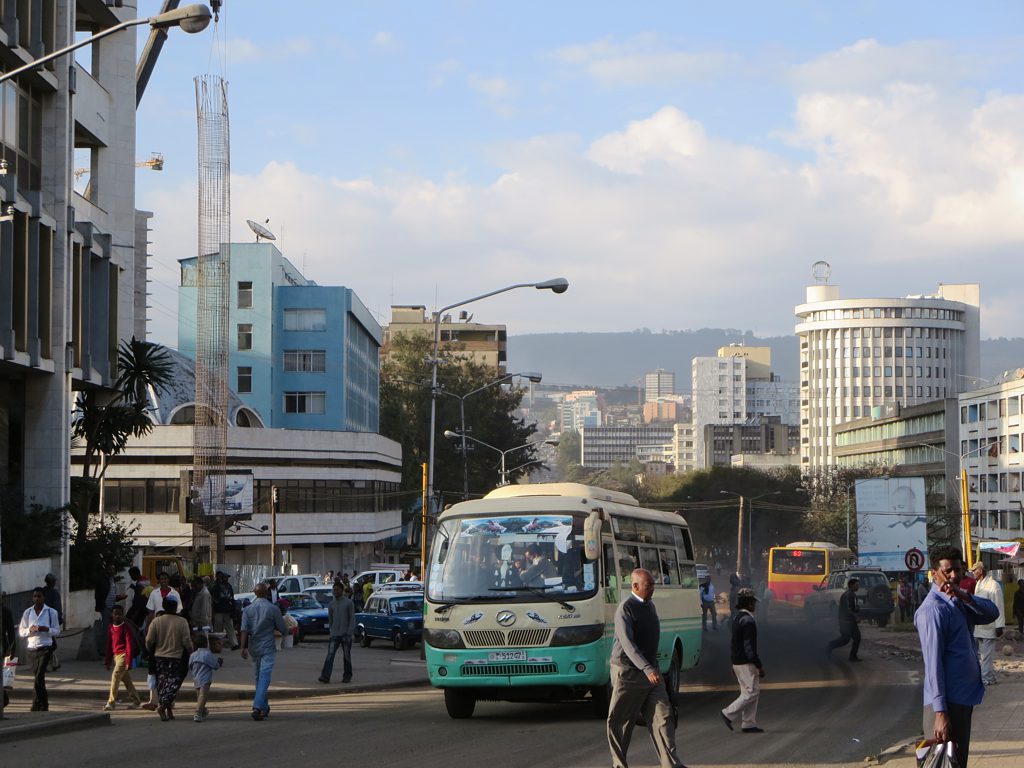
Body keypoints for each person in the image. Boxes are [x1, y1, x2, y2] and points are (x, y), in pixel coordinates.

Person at [915, 546, 999, 768]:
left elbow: (992, 613)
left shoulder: (956, 602)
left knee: (956, 763)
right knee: (942, 763)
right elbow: (933, 665)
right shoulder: (932, 610)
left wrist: (963, 595)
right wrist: (940, 713)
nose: (954, 575)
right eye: (948, 570)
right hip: (945, 703)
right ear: (935, 573)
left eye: (958, 570)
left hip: (961, 699)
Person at [606, 568, 686, 768]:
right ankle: (619, 765)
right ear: (635, 586)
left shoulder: (650, 605)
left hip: (651, 672)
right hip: (629, 673)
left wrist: (653, 668)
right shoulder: (626, 608)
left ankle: (671, 764)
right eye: (649, 585)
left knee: (663, 716)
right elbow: (628, 644)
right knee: (622, 722)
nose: (653, 589)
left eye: (653, 585)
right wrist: (647, 668)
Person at [240, 582, 287, 721]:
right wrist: (286, 632)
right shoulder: (273, 609)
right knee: (264, 676)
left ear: (255, 593)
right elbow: (282, 628)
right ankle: (258, 706)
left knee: (258, 677)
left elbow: (244, 630)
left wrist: (243, 647)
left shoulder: (248, 610)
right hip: (267, 646)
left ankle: (264, 707)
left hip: (254, 647)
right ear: (266, 593)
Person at [721, 587, 764, 733]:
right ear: (748, 603)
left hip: (738, 661)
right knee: (751, 693)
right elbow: (748, 646)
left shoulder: (737, 618)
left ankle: (749, 723)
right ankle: (728, 713)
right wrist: (758, 664)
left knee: (750, 691)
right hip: (746, 662)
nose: (755, 605)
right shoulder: (748, 621)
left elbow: (734, 643)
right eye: (753, 602)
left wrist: (733, 663)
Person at [145, 596, 193, 721]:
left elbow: (149, 640)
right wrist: (191, 651)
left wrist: (150, 649)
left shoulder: (156, 621)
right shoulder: (182, 622)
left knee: (162, 684)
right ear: (176, 606)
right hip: (176, 658)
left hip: (159, 658)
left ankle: (168, 709)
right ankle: (164, 706)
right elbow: (187, 641)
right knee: (173, 684)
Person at [18, 587, 60, 711]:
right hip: (32, 648)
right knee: (38, 677)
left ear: (44, 597)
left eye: (39, 596)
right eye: (35, 596)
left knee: (39, 675)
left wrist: (46, 629)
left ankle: (39, 704)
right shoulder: (28, 612)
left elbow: (56, 631)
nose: (37, 599)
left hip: (46, 647)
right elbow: (21, 631)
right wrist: (30, 630)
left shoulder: (51, 612)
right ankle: (40, 704)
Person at [970, 562, 1004, 686]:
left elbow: (999, 606)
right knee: (981, 655)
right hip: (979, 626)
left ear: (981, 570)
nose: (973, 573)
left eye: (975, 570)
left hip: (990, 625)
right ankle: (987, 676)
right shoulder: (978, 584)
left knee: (987, 656)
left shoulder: (993, 585)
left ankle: (986, 677)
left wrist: (999, 625)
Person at [104, 604, 142, 710]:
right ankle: (136, 700)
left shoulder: (126, 628)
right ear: (112, 615)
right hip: (116, 656)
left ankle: (111, 702)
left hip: (124, 655)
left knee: (115, 676)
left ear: (123, 615)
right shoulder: (111, 627)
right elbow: (109, 645)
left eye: (120, 614)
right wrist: (107, 660)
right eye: (115, 614)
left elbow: (129, 645)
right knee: (126, 680)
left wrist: (129, 662)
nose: (118, 616)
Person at [318, 582, 355, 684]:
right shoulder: (331, 604)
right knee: (330, 655)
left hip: (346, 634)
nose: (336, 591)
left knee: (346, 656)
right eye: (334, 590)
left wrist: (349, 632)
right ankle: (325, 676)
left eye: (338, 589)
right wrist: (331, 630)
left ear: (342, 590)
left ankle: (347, 676)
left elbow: (352, 618)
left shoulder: (348, 603)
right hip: (334, 634)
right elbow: (330, 619)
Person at [825, 578, 862, 662]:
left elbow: (854, 608)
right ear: (851, 585)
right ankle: (830, 646)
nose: (858, 586)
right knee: (845, 639)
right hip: (845, 621)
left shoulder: (853, 595)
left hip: (852, 622)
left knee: (857, 638)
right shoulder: (847, 595)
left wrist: (857, 611)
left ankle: (853, 657)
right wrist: (855, 617)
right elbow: (848, 609)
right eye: (856, 585)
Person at [188, 634, 220, 722]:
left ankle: (203, 710)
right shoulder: (208, 654)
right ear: (206, 644)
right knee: (203, 696)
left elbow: (190, 666)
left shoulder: (193, 655)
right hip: (205, 679)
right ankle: (198, 713)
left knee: (200, 696)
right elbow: (215, 666)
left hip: (196, 678)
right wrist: (219, 663)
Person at [94, 562, 125, 648]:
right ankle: (104, 649)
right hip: (106, 607)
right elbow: (99, 595)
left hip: (113, 607)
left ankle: (111, 647)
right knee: (106, 630)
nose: (112, 571)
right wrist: (101, 606)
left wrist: (118, 597)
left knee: (113, 629)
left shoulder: (112, 580)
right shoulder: (102, 580)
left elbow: (111, 594)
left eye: (113, 569)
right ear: (106, 569)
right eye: (110, 569)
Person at [209, 572, 239, 650]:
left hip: (227, 610)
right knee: (218, 628)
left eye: (227, 578)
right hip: (219, 610)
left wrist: (233, 609)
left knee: (230, 627)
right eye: (225, 578)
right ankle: (217, 645)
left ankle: (234, 644)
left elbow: (232, 598)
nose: (226, 579)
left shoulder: (229, 587)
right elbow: (213, 599)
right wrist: (221, 600)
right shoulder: (216, 587)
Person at [42, 573, 63, 671]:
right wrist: (59, 620)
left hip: (42, 622)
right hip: (49, 623)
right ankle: (47, 664)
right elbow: (57, 608)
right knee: (51, 645)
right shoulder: (54, 593)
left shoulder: (43, 592)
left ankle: (54, 663)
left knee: (49, 644)